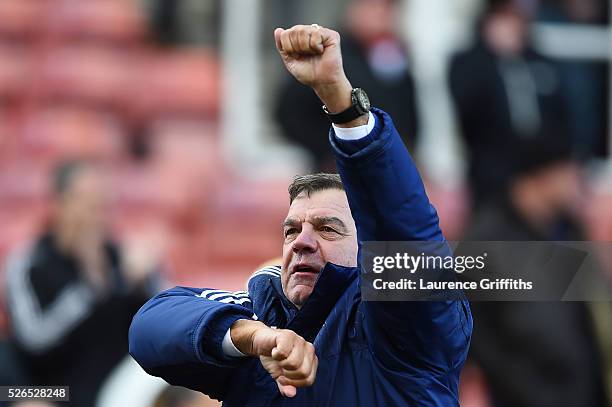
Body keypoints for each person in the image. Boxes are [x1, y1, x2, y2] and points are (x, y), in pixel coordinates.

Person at [129, 24, 472, 406]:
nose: (302, 242)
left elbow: (404, 232)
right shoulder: (262, 321)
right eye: (291, 231)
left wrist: (343, 107)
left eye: (327, 229)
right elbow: (149, 328)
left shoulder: (409, 327)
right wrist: (255, 338)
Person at [463, 136, 609, 406]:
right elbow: (480, 341)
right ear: (543, 175)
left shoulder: (564, 230)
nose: (577, 180)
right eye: (569, 170)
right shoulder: (486, 242)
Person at [4, 160, 161, 407]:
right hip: (56, 391)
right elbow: (34, 342)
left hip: (122, 389)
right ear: (59, 204)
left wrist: (147, 281)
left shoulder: (126, 261)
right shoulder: (31, 264)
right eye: (86, 201)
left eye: (103, 203)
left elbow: (168, 330)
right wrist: (89, 288)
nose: (96, 213)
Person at [449, 0, 571, 207]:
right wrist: (492, 54)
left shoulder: (540, 62)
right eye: (505, 18)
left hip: (542, 170)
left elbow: (562, 114)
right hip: (492, 171)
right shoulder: (469, 62)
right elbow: (469, 115)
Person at [275, 0, 419, 171]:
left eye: (387, 8)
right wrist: (330, 151)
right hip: (337, 171)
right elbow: (291, 113)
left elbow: (408, 112)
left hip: (388, 165)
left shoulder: (393, 53)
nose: (381, 14)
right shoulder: (326, 53)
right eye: (373, 6)